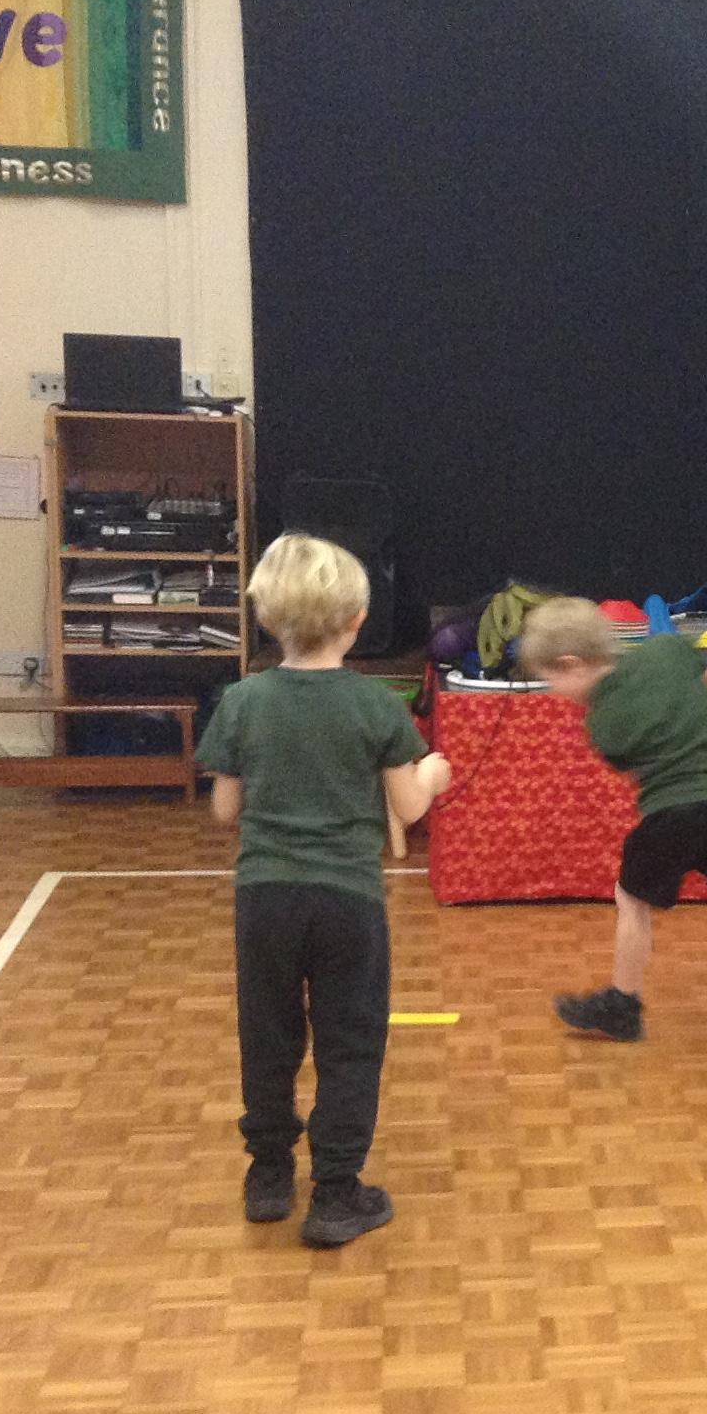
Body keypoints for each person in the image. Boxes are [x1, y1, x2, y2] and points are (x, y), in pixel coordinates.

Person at [198, 534, 452, 1248]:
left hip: (266, 900)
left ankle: (269, 1176)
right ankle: (337, 1193)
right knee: (351, 1042)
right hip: (348, 902)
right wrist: (432, 775)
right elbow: (408, 808)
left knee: (268, 1036)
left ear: (265, 618)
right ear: (357, 620)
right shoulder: (375, 705)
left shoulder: (242, 700)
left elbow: (224, 812)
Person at [519, 599, 707, 1079]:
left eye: (551, 679)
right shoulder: (669, 649)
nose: (554, 691)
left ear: (572, 664)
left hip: (673, 809)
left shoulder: (602, 724)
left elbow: (634, 760)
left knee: (632, 900)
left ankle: (623, 1006)